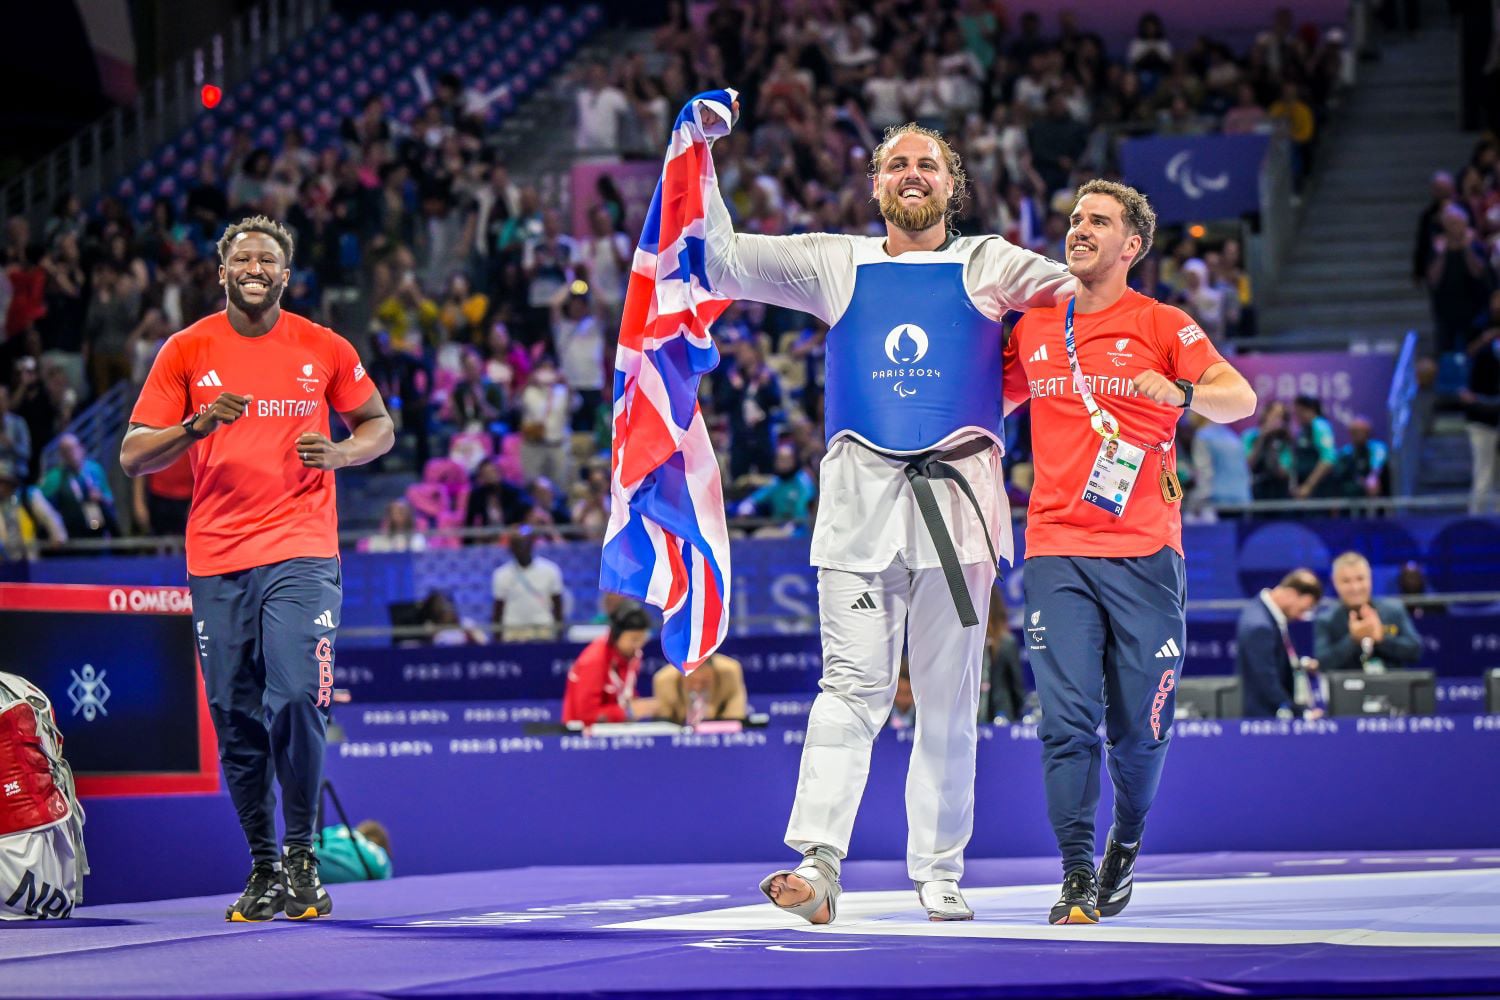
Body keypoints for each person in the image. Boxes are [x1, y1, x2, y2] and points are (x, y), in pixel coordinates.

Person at [701, 107, 1074, 924]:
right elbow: (720, 261)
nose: (912, 173)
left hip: (962, 511)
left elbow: (1072, 290)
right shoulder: (838, 262)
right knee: (849, 688)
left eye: (929, 165)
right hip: (858, 510)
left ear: (954, 185)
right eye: (897, 163)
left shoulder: (987, 261)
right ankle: (819, 863)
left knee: (949, 695)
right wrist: (695, 155)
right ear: (875, 184)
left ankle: (940, 869)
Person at [120, 215, 394, 922]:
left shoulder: (323, 345)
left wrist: (340, 453)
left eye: (267, 258)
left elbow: (378, 425)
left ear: (284, 273)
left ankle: (303, 857)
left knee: (299, 693)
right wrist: (196, 427)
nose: (254, 266)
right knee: (234, 716)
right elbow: (133, 455)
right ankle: (264, 867)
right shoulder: (185, 350)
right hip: (217, 557)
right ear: (221, 273)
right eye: (241, 257)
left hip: (302, 548)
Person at [1003, 179, 1257, 924]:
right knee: (1064, 718)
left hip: (1146, 552)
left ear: (1132, 245)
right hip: (1055, 546)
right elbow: (986, 399)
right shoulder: (1035, 324)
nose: (1079, 229)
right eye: (1075, 217)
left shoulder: (1162, 322)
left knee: (1140, 729)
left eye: (1098, 221)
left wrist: (1181, 394)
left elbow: (1238, 398)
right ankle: (1077, 872)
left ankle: (1127, 843)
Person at [1314, 551, 1423, 674]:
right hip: (1346, 691)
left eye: (1360, 579)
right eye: (1346, 581)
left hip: (1392, 689)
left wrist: (1381, 639)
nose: (1355, 587)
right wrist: (1352, 639)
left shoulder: (1394, 610)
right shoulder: (1326, 619)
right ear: (1334, 582)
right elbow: (1323, 663)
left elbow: (1415, 651)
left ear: (1370, 578)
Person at [1235, 569, 1324, 718]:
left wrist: (1301, 664)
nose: (1301, 616)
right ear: (1290, 594)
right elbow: (1266, 681)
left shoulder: (1266, 614)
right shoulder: (1260, 625)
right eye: (1303, 609)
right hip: (1264, 721)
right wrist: (1301, 714)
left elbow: (1274, 658)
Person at [561, 604, 657, 725]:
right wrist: (627, 712)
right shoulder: (594, 661)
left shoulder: (632, 655)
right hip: (582, 737)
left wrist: (640, 706)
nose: (638, 645)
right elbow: (585, 715)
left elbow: (624, 692)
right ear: (616, 635)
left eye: (642, 639)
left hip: (615, 729)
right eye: (633, 639)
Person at [490, 527, 564, 642]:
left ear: (531, 545)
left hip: (543, 631)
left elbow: (558, 605)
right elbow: (498, 610)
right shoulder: (501, 574)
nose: (521, 548)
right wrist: (497, 641)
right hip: (513, 633)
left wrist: (559, 635)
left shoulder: (550, 570)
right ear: (511, 549)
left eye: (524, 544)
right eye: (516, 545)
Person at [651, 652, 748, 726]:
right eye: (691, 681)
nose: (697, 687)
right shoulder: (664, 680)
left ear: (713, 674)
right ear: (682, 676)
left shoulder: (730, 674)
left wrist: (712, 719)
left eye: (704, 682)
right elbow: (663, 727)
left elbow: (736, 719)